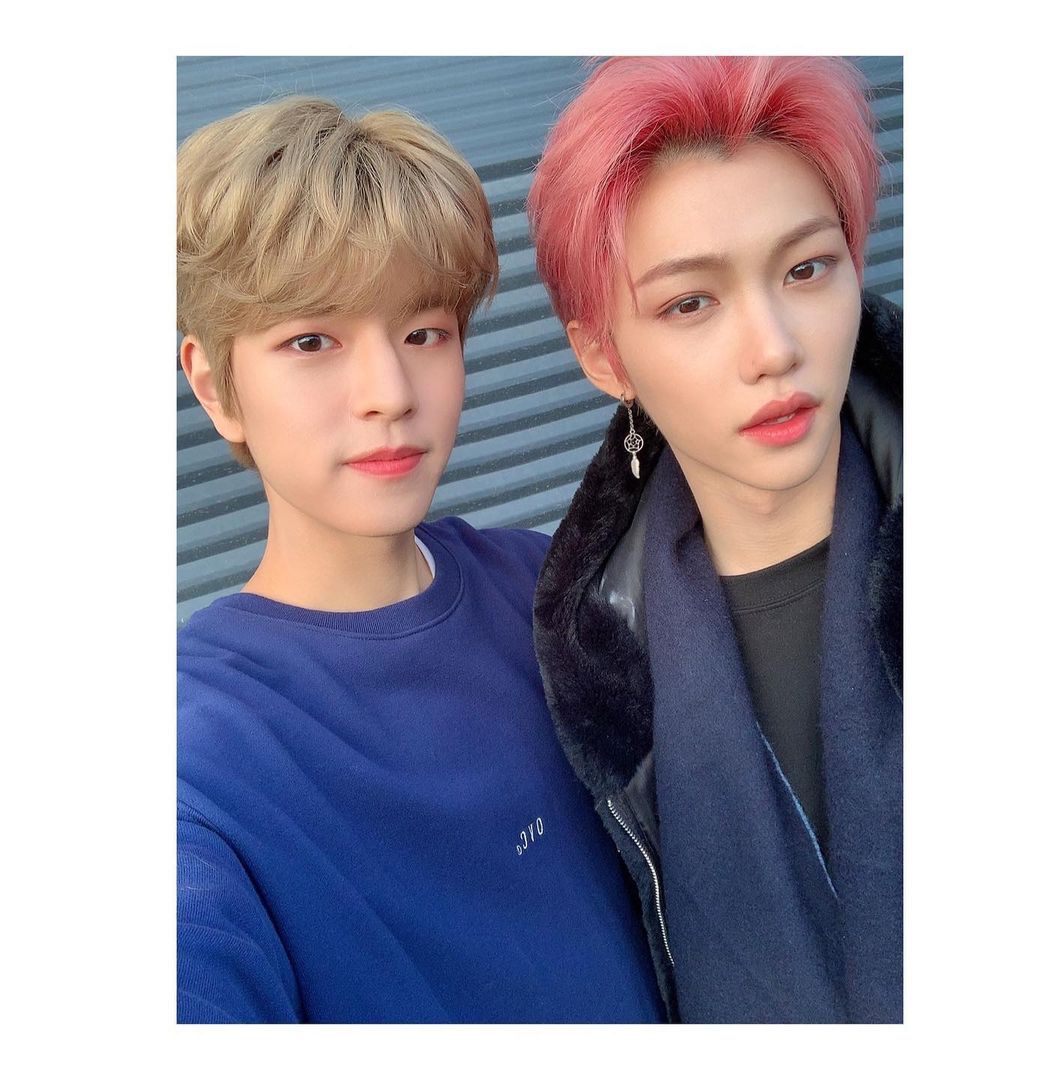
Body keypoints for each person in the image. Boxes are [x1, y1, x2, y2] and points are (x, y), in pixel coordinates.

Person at [176, 96, 665, 1023]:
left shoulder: (557, 588)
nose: (389, 393)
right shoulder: (200, 754)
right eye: (311, 340)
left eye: (423, 332)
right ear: (215, 386)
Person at [526, 56, 902, 1022]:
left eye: (807, 268)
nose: (774, 346)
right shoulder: (590, 653)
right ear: (603, 356)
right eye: (690, 302)